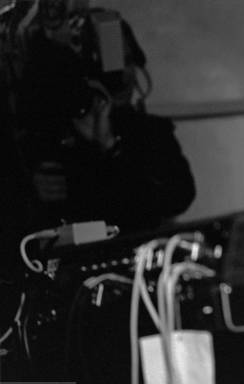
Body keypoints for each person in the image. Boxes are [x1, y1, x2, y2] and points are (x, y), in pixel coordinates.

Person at [15, 7, 196, 232]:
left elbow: (174, 200)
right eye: (108, 65)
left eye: (127, 61)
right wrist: (29, 190)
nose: (122, 76)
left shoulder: (151, 134)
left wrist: (111, 149)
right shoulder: (48, 134)